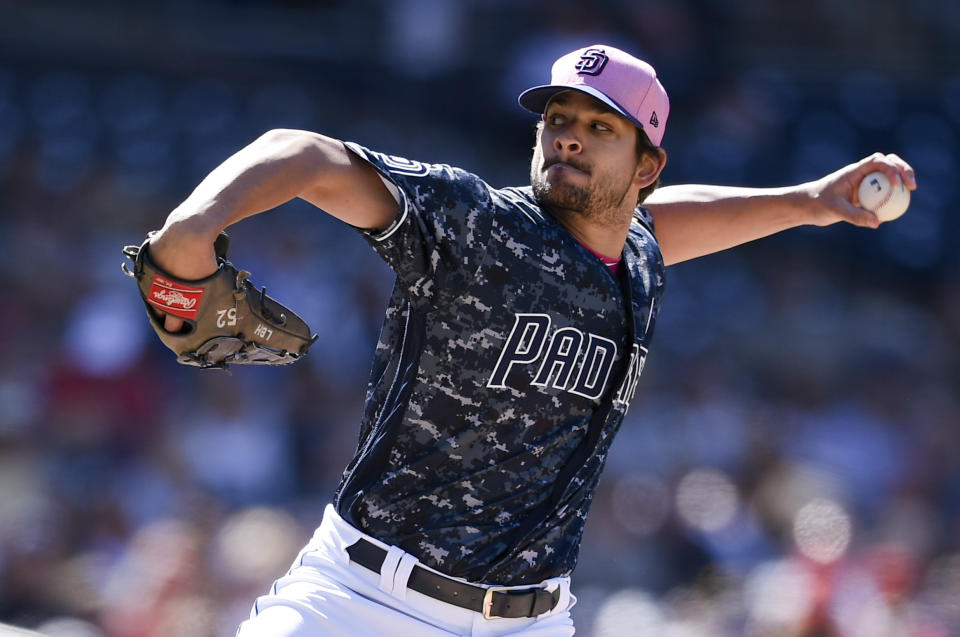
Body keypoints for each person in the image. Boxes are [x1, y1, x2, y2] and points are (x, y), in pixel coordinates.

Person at [144, 44, 916, 636]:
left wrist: (808, 201)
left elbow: (665, 223)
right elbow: (304, 153)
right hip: (366, 600)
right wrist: (194, 226)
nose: (570, 138)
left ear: (647, 165)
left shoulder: (637, 254)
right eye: (558, 120)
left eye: (599, 127)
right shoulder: (477, 222)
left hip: (533, 618)